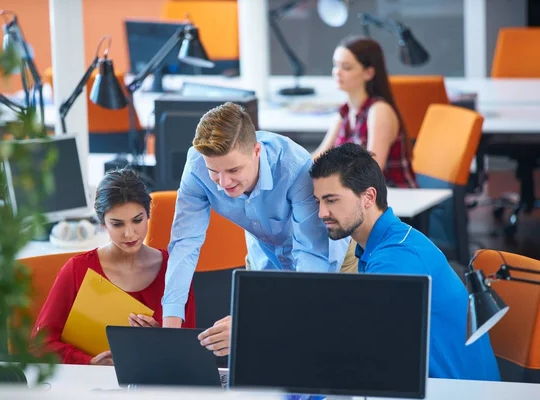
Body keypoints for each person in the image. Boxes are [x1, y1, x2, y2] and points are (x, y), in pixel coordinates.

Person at [309, 143, 500, 381]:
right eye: (318, 201)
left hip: (453, 391)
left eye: (331, 200)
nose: (321, 213)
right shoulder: (382, 244)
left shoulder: (397, 258)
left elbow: (360, 346)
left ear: (368, 197)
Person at [163, 102, 352, 333]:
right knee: (259, 351)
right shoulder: (196, 167)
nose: (224, 183)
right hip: (265, 258)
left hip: (327, 259)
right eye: (214, 171)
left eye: (233, 170)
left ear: (256, 151)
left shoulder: (295, 168)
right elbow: (185, 244)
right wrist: (171, 324)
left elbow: (311, 256)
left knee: (318, 338)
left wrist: (255, 319)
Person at [31, 168, 196, 365]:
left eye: (137, 220)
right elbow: (40, 345)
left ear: (148, 214)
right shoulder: (78, 269)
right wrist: (89, 362)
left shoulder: (175, 268)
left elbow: (190, 350)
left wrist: (160, 338)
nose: (130, 233)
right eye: (117, 224)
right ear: (102, 224)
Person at [313, 36, 417, 189]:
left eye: (346, 67)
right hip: (359, 198)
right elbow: (319, 157)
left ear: (368, 73)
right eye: (336, 65)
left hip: (393, 199)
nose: (337, 72)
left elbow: (372, 171)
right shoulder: (344, 112)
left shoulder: (379, 111)